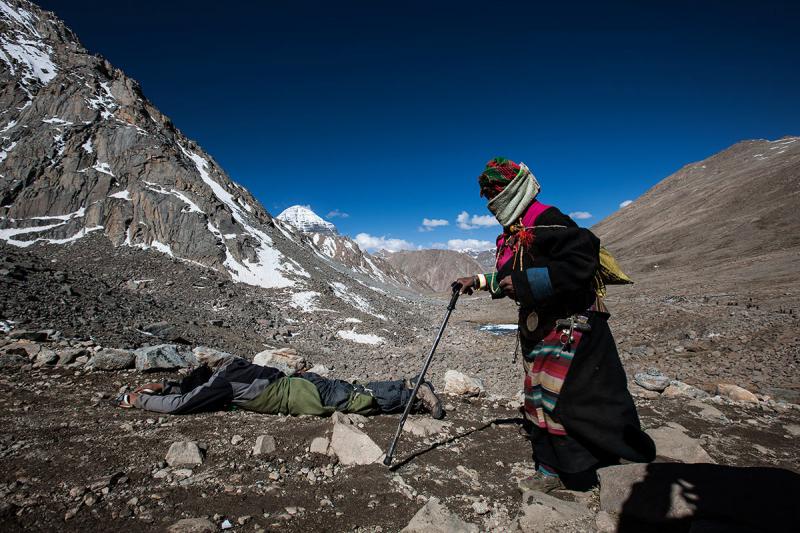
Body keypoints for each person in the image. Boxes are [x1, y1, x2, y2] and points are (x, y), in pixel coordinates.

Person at [455, 157, 654, 492]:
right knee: (537, 397)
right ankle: (549, 468)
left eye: (495, 193)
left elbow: (581, 263)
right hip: (541, 329)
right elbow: (510, 276)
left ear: (513, 190)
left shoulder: (548, 220)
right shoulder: (513, 233)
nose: (491, 204)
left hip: (573, 326)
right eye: (487, 196)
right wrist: (478, 280)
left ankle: (588, 468)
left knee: (567, 400)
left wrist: (525, 283)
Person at [115, 351, 443, 419]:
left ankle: (414, 394)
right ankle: (408, 384)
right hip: (305, 383)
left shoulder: (222, 386)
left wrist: (137, 400)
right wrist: (164, 386)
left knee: (362, 401)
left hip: (305, 395)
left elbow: (183, 404)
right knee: (358, 389)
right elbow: (187, 390)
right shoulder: (233, 366)